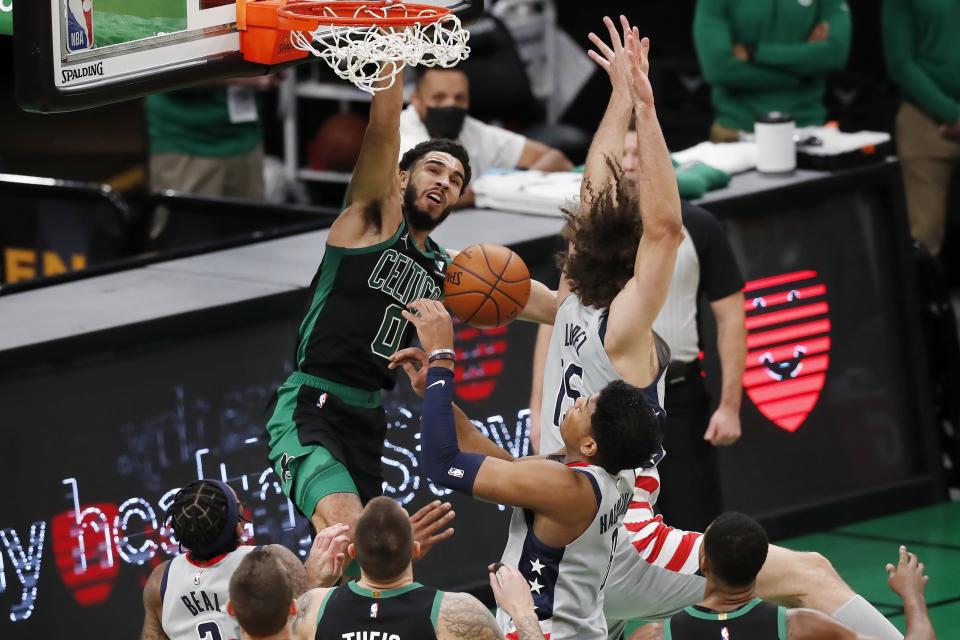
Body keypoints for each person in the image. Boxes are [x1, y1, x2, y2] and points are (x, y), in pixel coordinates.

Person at [536, 15, 906, 640]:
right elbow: (665, 228)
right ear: (635, 265)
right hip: (621, 546)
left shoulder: (569, 299)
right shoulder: (623, 327)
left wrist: (619, 98)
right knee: (812, 572)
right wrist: (647, 110)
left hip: (560, 542)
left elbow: (593, 192)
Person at [264, 64, 558, 566]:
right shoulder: (370, 220)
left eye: (456, 179)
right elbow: (382, 131)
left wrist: (604, 311)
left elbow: (538, 301)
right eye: (434, 169)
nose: (445, 181)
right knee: (349, 535)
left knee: (358, 563)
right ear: (402, 175)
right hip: (312, 405)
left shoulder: (452, 272)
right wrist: (393, 57)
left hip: (367, 417)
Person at [392, 295, 661, 638]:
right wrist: (435, 394)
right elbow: (507, 466)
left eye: (585, 407)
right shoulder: (614, 471)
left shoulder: (567, 488)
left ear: (591, 445)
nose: (577, 401)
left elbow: (441, 465)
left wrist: (443, 357)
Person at [235, 498, 505, 640]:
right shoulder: (457, 613)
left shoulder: (313, 606)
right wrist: (523, 611)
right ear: (415, 550)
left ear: (352, 553)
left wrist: (315, 579)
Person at [637, 513, 935, 640]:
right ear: (762, 565)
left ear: (703, 561)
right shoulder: (801, 627)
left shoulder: (656, 635)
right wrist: (912, 597)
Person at [138, 479, 339, 640]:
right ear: (238, 526)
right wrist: (313, 581)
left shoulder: (160, 580)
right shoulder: (270, 560)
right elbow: (303, 627)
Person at [399, 67, 574, 207]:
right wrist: (490, 189)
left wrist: (512, 183)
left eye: (459, 98)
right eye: (439, 97)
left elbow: (557, 160)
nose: (450, 105)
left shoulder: (471, 129)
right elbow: (421, 199)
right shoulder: (401, 137)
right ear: (416, 100)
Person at [692, 0, 851, 142]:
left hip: (809, 131)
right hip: (736, 133)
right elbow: (718, 69)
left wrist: (754, 51)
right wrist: (801, 75)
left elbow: (834, 55)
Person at [146, 76, 279, 239]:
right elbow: (164, 69)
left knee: (248, 247)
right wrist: (242, 76)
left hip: (245, 136)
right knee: (185, 249)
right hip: (187, 141)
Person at [883, 0, 960, 257]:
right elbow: (899, 62)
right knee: (923, 233)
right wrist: (951, 113)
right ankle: (923, 296)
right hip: (925, 117)